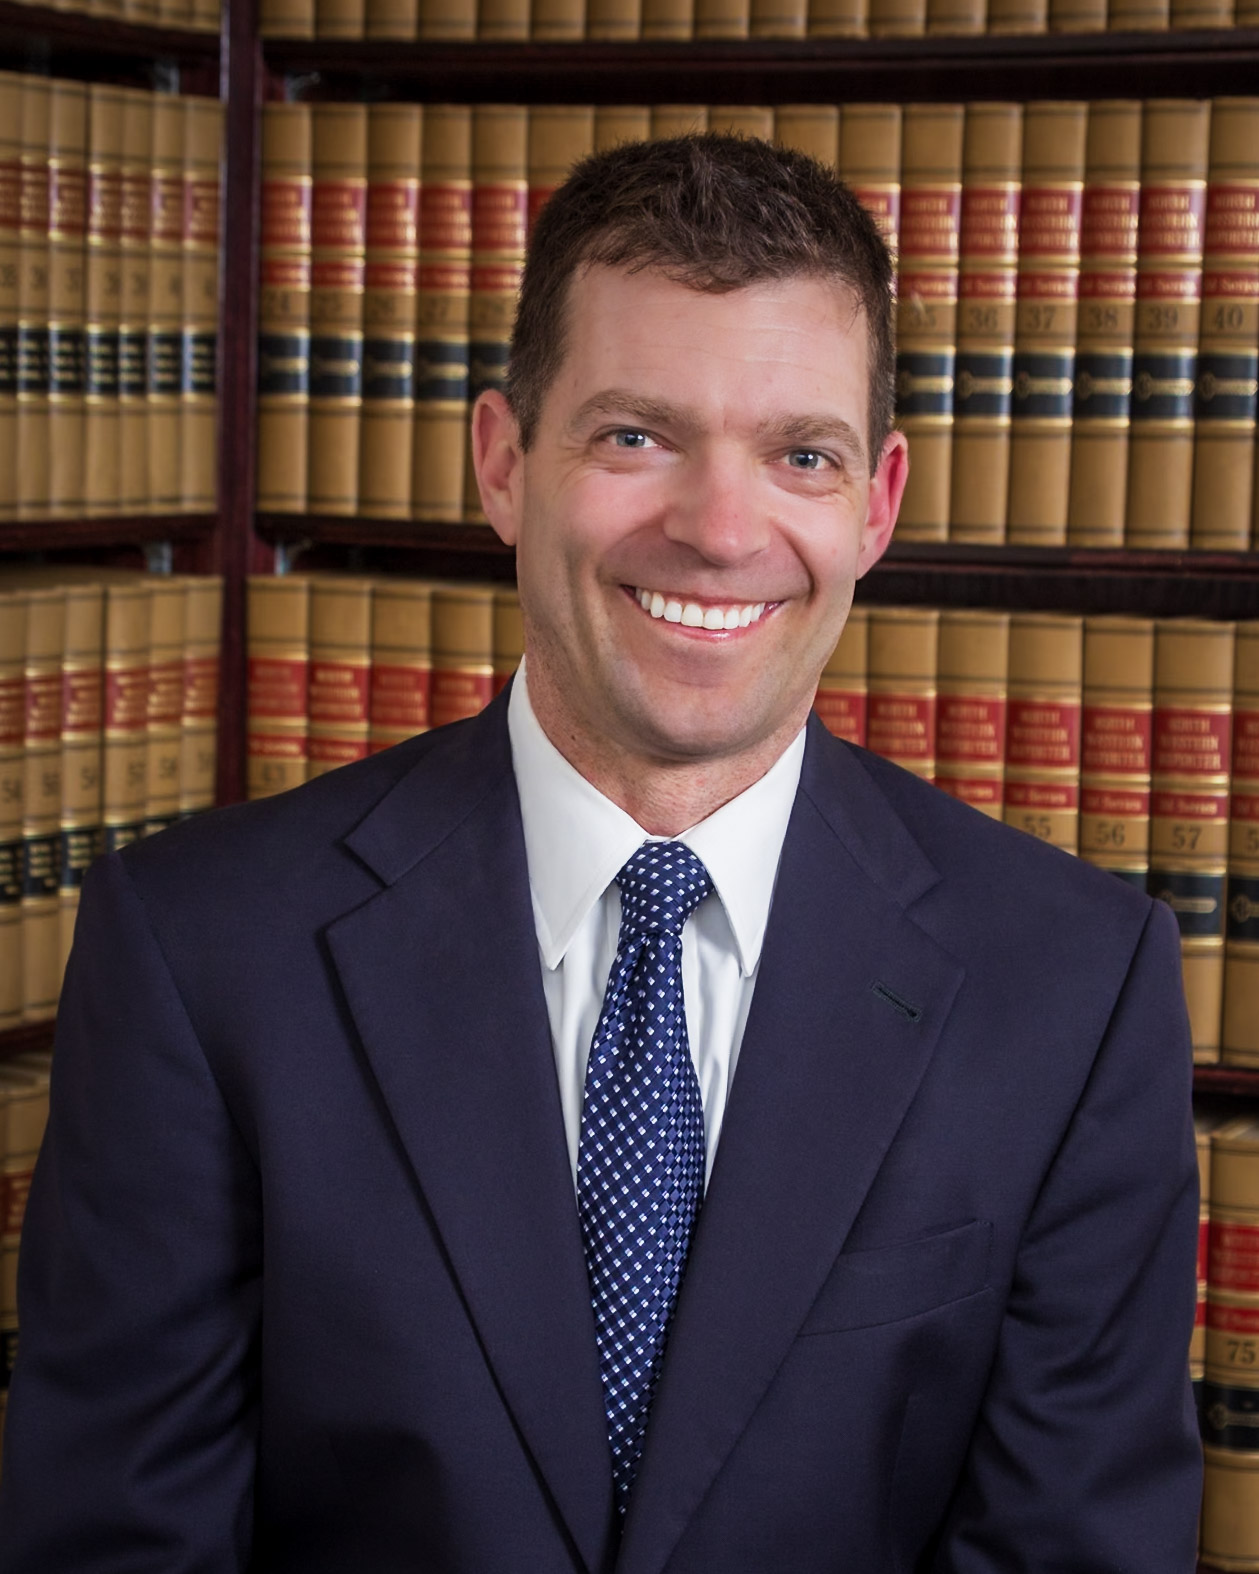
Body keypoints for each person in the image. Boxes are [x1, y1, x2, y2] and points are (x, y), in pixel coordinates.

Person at [0, 134, 1200, 1573]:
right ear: (504, 465)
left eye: (798, 454)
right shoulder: (199, 956)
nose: (717, 527)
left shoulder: (1072, 986)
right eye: (637, 436)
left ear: (875, 505)